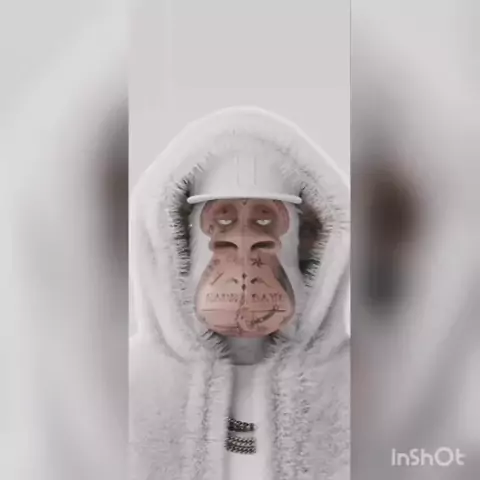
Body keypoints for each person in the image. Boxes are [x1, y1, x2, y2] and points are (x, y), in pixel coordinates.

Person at [129, 106, 350, 480]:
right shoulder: (125, 390)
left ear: (310, 240)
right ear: (177, 239)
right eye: (224, 220)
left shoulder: (359, 390)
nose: (244, 244)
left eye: (264, 220)